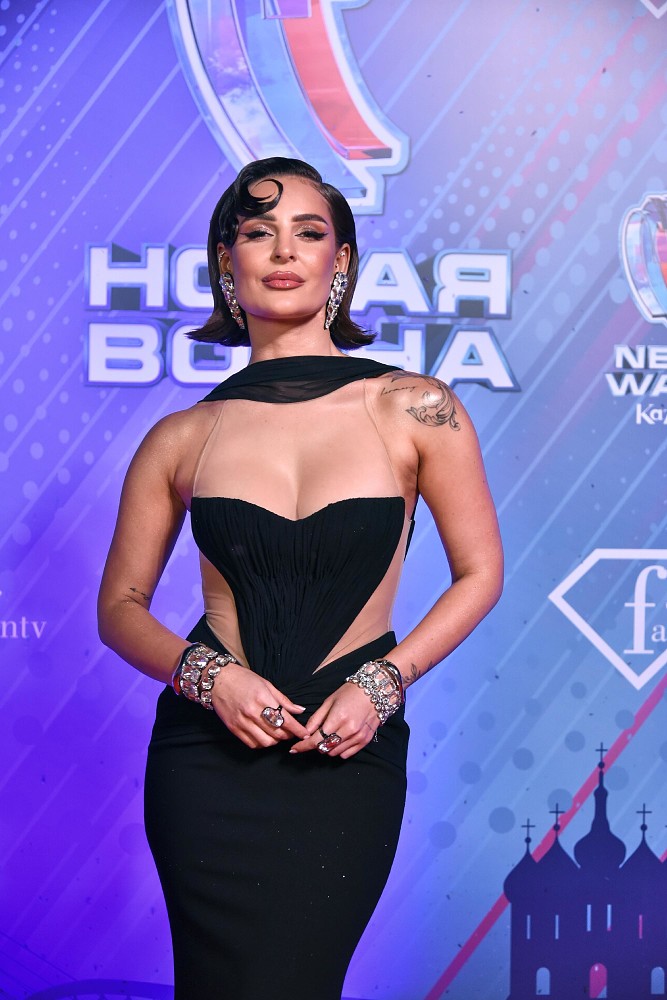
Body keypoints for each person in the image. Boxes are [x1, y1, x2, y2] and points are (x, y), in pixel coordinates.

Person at [97, 156, 503, 1000]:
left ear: (340, 260)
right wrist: (209, 680)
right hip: (205, 760)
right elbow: (120, 609)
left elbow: (479, 573)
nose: (284, 251)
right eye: (258, 232)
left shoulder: (416, 406)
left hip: (345, 752)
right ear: (227, 261)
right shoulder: (182, 436)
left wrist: (383, 683)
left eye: (308, 233)